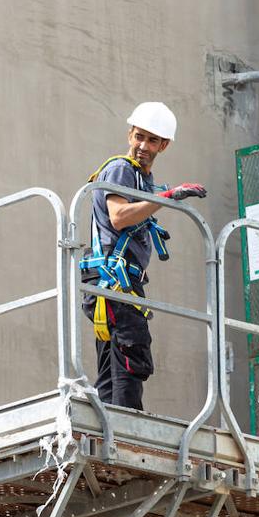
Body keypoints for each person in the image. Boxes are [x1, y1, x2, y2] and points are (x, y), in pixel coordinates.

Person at [80, 102, 207, 410]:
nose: (143, 146)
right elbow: (119, 216)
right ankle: (125, 426)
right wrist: (164, 197)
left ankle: (109, 421)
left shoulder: (142, 179)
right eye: (139, 137)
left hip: (116, 280)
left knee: (115, 360)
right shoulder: (122, 169)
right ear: (130, 135)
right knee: (132, 352)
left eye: (152, 141)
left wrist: (159, 196)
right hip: (114, 278)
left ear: (164, 145)